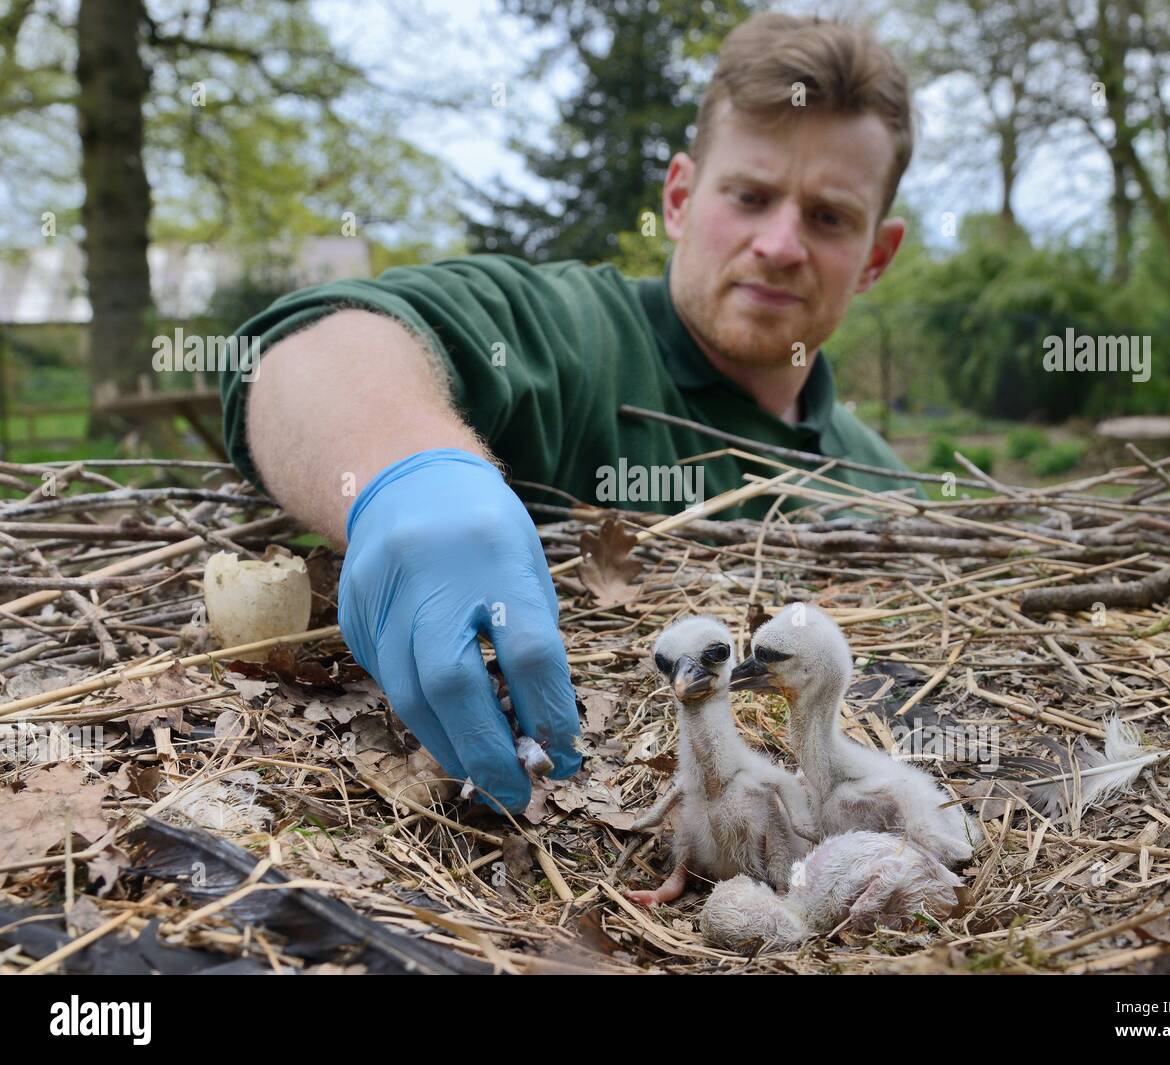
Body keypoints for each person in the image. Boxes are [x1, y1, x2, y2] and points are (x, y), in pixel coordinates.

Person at [218, 12, 916, 813]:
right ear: (681, 198)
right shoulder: (571, 334)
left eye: (829, 217)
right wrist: (410, 474)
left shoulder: (888, 491)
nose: (781, 244)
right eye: (751, 196)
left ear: (877, 255)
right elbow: (307, 345)